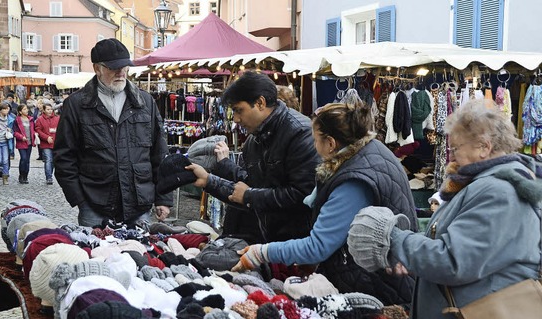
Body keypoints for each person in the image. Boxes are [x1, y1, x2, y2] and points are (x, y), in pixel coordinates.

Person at [191, 101, 418, 305]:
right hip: (377, 278)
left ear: (330, 143)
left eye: (314, 139)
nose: (312, 145)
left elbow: (318, 246)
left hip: (376, 288)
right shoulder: (368, 151)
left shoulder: (353, 181)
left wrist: (260, 253)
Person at [348, 100, 542, 318]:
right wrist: (411, 260)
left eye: (456, 148)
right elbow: (459, 249)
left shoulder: (499, 193)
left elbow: (453, 261)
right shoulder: (485, 185)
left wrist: (394, 239)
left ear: (484, 147)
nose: (451, 156)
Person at [187, 71, 320, 244]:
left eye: (238, 110)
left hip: (298, 246)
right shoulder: (253, 140)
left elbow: (303, 195)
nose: (235, 119)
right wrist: (208, 181)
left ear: (260, 103)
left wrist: (250, 196)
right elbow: (248, 186)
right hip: (268, 242)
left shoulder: (300, 133)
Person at [54, 38, 172, 228]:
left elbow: (160, 153)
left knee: (140, 256)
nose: (120, 72)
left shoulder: (145, 102)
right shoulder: (77, 105)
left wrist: (163, 198)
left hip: (139, 203)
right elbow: (64, 157)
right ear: (97, 68)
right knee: (96, 256)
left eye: (124, 67)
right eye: (113, 67)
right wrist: (80, 200)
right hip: (95, 204)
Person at [35, 102, 59, 185]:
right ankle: (49, 177)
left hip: (56, 142)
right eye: (48, 109)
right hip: (46, 144)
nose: (50, 111)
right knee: (48, 160)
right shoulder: (40, 119)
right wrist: (46, 137)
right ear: (44, 110)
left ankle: (51, 174)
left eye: (51, 109)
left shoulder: (57, 118)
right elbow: (38, 130)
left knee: (53, 161)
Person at [13, 104, 36, 184]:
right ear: (20, 111)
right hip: (21, 142)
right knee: (23, 158)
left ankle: (26, 176)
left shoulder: (31, 119)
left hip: (29, 142)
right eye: (24, 109)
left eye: (26, 109)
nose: (26, 110)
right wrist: (21, 137)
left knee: (27, 160)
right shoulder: (17, 120)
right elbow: (14, 132)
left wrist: (35, 135)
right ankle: (21, 175)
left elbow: (34, 129)